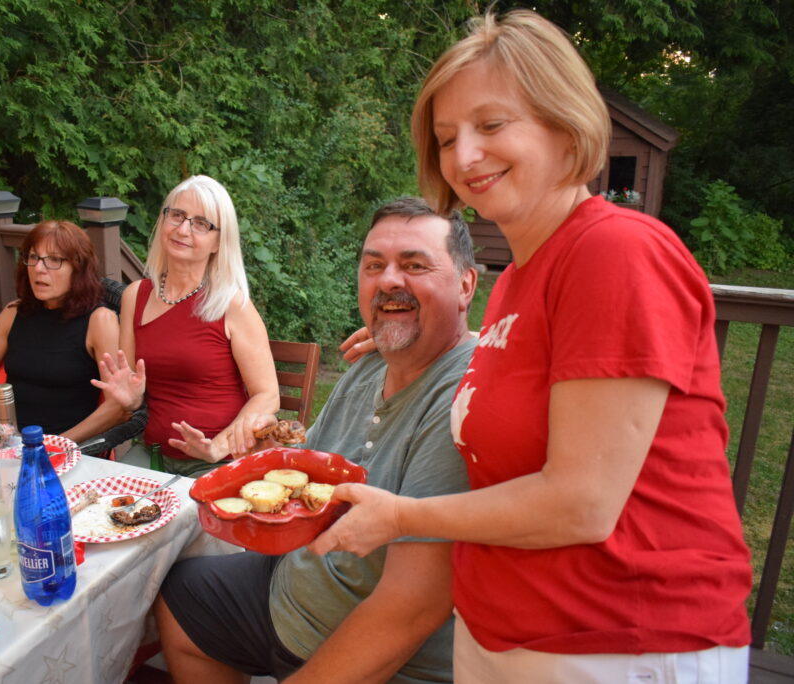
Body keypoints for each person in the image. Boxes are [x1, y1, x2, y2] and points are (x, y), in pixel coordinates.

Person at [310, 10, 752, 683]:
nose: (464, 157)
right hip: (507, 630)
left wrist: (400, 516)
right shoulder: (520, 278)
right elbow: (541, 375)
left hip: (616, 642)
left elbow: (581, 502)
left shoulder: (615, 250)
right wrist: (410, 338)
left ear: (564, 123)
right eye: (447, 137)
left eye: (491, 125)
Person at [154, 197, 479, 684]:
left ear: (466, 285)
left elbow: (412, 609)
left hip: (373, 648)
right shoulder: (370, 364)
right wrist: (264, 458)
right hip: (293, 587)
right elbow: (309, 468)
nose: (389, 280)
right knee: (181, 597)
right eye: (374, 266)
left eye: (414, 265)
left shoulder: (465, 402)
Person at [94, 175, 279, 476]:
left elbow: (268, 395)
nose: (183, 229)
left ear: (218, 242)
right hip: (152, 455)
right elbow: (134, 390)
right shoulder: (134, 296)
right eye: (177, 215)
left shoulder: (232, 304)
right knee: (99, 503)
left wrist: (217, 446)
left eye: (201, 223)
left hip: (217, 462)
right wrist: (131, 399)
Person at [0, 220, 127, 443]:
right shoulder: (13, 313)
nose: (38, 268)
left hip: (70, 449)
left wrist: (55, 444)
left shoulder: (100, 321)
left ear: (78, 268)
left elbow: (118, 406)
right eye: (33, 257)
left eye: (54, 260)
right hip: (9, 444)